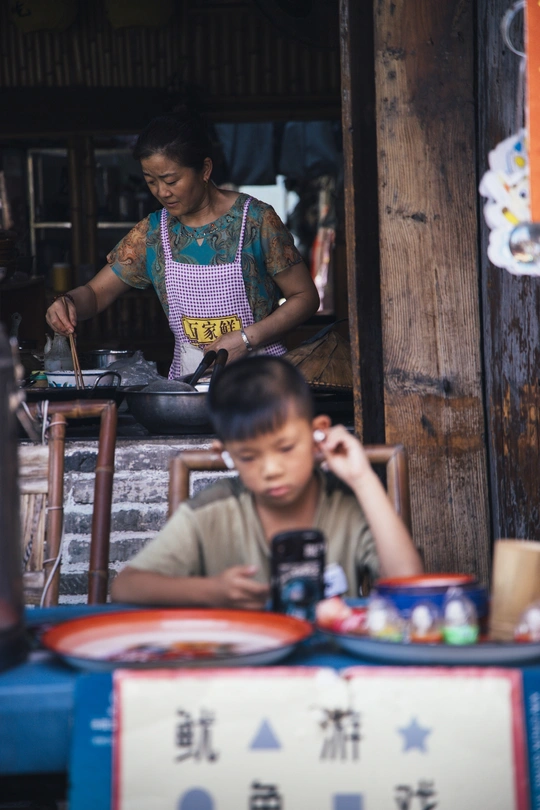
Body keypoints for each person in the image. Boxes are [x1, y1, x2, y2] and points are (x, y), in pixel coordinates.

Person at [111, 356, 423, 608]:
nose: (271, 469)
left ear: (318, 434)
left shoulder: (346, 504)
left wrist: (362, 478)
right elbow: (126, 586)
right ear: (226, 453)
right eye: (248, 456)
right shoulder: (212, 511)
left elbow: (410, 585)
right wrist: (212, 591)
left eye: (286, 448)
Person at [45, 111, 320, 377]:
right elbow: (94, 295)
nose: (162, 192)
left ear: (205, 169)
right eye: (151, 181)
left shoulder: (257, 221)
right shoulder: (152, 233)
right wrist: (67, 302)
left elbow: (305, 297)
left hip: (263, 379)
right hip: (190, 384)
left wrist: (246, 339)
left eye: (171, 180)